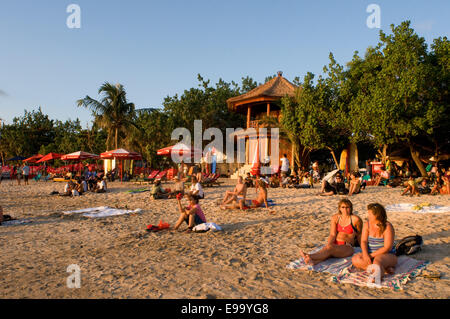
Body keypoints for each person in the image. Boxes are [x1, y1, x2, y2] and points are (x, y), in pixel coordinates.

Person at [299, 199, 363, 265]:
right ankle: (314, 262)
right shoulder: (335, 218)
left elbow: (360, 235)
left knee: (329, 249)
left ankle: (309, 256)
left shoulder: (356, 219)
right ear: (339, 208)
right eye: (343, 207)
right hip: (335, 243)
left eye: (347, 207)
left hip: (347, 246)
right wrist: (329, 244)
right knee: (328, 251)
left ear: (351, 208)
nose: (345, 210)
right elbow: (332, 234)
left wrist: (363, 249)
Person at [352, 203, 397, 283]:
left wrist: (370, 256)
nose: (368, 216)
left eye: (370, 214)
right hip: (370, 254)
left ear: (377, 215)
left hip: (386, 255)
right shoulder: (367, 224)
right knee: (355, 259)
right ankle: (382, 268)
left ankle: (378, 274)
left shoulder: (387, 226)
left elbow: (387, 248)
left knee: (378, 260)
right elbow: (363, 241)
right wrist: (365, 254)